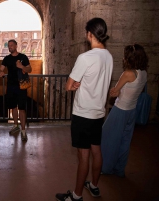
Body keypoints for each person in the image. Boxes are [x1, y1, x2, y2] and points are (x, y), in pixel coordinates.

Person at [56, 18, 113, 201]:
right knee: (97, 151)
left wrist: (75, 85)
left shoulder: (85, 57)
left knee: (83, 156)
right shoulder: (109, 56)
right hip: (98, 113)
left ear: (90, 33)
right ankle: (94, 186)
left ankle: (76, 196)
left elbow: (68, 86)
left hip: (83, 114)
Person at [101, 44, 148, 177]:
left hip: (120, 110)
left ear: (129, 58)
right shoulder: (144, 73)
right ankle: (119, 169)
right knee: (124, 141)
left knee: (107, 137)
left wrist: (112, 91)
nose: (123, 58)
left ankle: (106, 167)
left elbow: (114, 92)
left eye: (125, 55)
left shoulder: (128, 73)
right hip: (132, 111)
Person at [0, 39, 32, 141]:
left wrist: (21, 66)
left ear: (16, 46)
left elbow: (30, 69)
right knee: (13, 107)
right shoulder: (7, 59)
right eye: (9, 45)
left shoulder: (23, 57)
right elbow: (0, 68)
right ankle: (16, 126)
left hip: (21, 87)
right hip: (11, 86)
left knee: (21, 108)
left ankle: (23, 130)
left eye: (12, 45)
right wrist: (0, 72)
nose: (10, 47)